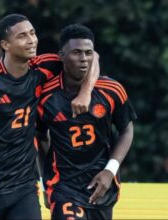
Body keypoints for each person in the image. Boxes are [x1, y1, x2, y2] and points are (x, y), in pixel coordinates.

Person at [0, 14, 99, 220]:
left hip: (25, 186)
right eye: (22, 36)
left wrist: (86, 92)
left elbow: (93, 57)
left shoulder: (42, 67)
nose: (31, 40)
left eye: (32, 33)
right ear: (5, 44)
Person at [37, 24, 137, 220]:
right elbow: (39, 137)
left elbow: (126, 130)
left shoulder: (111, 90)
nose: (83, 59)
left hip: (101, 184)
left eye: (88, 53)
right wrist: (45, 182)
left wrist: (110, 170)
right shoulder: (46, 97)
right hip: (64, 186)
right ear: (62, 55)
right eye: (76, 53)